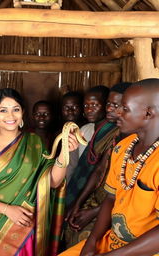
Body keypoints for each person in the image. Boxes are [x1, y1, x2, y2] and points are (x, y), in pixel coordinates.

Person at [0, 88, 78, 256]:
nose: (10, 116)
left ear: (22, 113)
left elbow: (52, 182)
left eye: (15, 109)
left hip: (26, 222)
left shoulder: (34, 141)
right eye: (3, 110)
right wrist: (7, 210)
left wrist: (64, 154)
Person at [59, 78, 159, 256]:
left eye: (125, 108)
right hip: (113, 242)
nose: (117, 112)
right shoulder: (124, 147)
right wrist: (92, 242)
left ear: (148, 113)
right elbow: (111, 198)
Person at [65, 82, 132, 248]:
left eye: (115, 105)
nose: (109, 109)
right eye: (109, 104)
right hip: (99, 198)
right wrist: (78, 204)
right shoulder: (115, 135)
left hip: (116, 207)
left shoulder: (134, 139)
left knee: (85, 238)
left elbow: (128, 193)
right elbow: (98, 171)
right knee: (70, 225)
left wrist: (93, 212)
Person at [65, 85, 110, 185]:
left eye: (94, 105)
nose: (89, 110)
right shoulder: (84, 129)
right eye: (86, 106)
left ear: (107, 105)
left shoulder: (112, 133)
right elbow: (72, 164)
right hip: (77, 186)